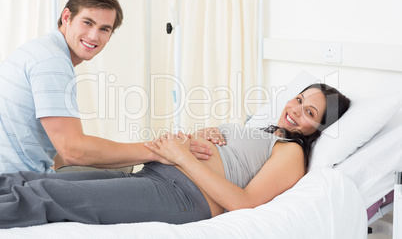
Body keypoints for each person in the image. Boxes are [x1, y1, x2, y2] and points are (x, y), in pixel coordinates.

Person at [0, 83, 350, 228]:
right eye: (300, 100)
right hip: (153, 174)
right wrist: (200, 136)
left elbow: (244, 203)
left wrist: (183, 159)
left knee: (50, 196)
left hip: (182, 196)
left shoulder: (290, 153)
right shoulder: (257, 130)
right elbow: (218, 155)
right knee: (40, 180)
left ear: (317, 129)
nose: (297, 111)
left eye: (310, 114)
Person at [0, 0, 210, 174]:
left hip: (19, 173)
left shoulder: (41, 50)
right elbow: (72, 151)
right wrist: (159, 151)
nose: (93, 36)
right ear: (66, 17)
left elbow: (60, 151)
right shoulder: (52, 62)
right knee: (131, 175)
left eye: (104, 29)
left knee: (124, 164)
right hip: (16, 184)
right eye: (87, 23)